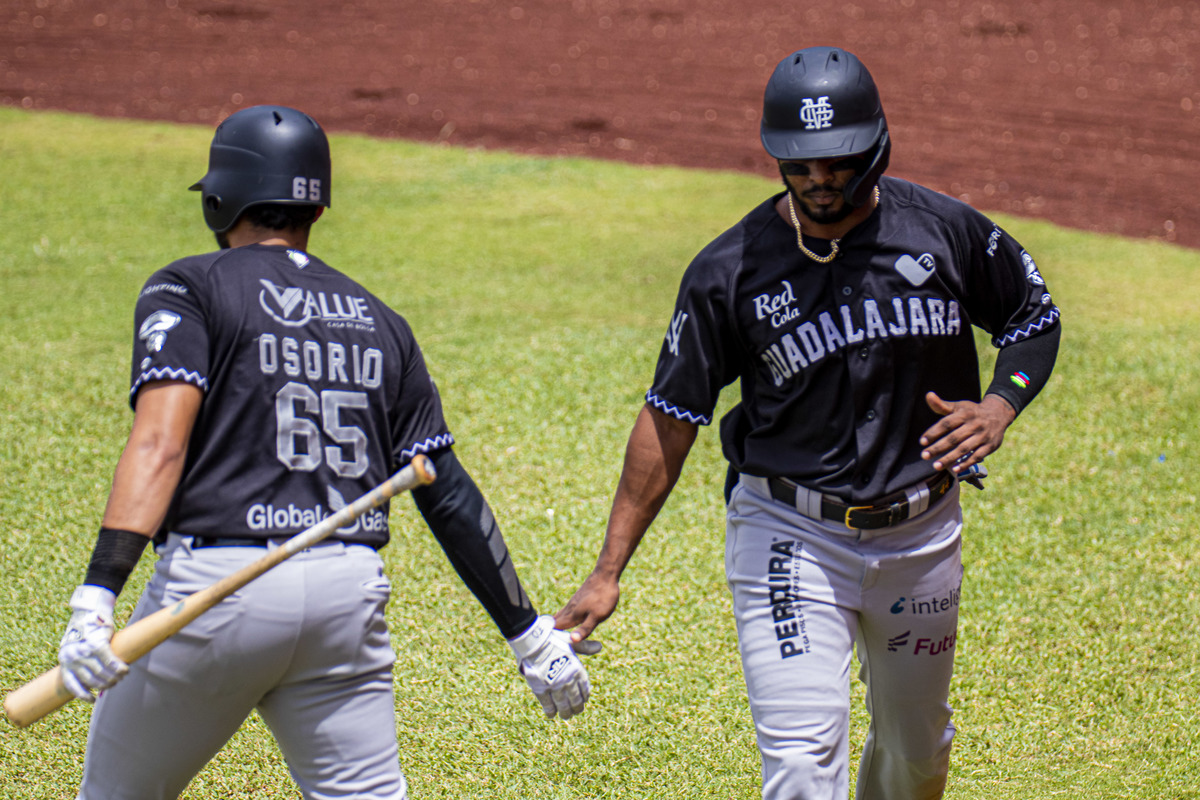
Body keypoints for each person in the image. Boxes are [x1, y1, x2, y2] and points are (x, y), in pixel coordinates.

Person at [556, 46, 1061, 799]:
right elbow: (671, 415)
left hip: (921, 536)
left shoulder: (944, 233)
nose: (818, 179)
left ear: (876, 146)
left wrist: (1000, 403)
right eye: (799, 163)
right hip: (790, 535)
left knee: (917, 754)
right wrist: (607, 571)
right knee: (801, 761)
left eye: (837, 160)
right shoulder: (731, 270)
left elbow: (1033, 315)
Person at [55, 104, 593, 800]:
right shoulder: (379, 320)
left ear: (220, 198)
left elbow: (160, 442)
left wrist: (98, 595)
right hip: (347, 597)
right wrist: (529, 636)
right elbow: (445, 487)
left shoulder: (189, 288)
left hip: (218, 592)